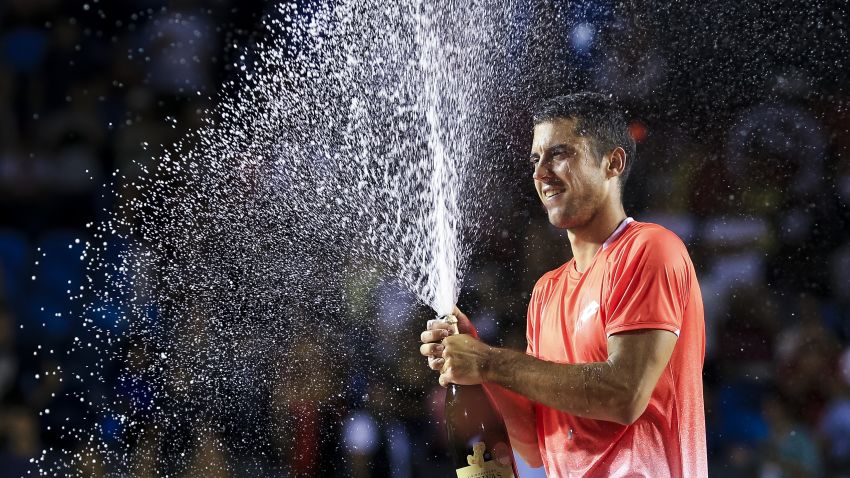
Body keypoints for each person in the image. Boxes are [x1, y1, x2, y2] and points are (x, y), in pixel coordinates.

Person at [419, 92, 707, 477]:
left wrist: (489, 361)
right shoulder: (546, 292)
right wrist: (478, 363)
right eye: (536, 160)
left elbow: (624, 395)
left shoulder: (650, 249)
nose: (541, 174)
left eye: (559, 154)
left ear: (613, 162)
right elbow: (538, 446)